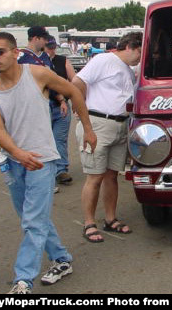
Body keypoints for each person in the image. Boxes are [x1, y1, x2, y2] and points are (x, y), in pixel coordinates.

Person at [0, 32, 97, 294]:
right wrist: (17, 153)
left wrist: (88, 129)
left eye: (0, 51)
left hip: (42, 161)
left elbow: (74, 91)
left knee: (33, 221)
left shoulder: (37, 74)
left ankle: (23, 279)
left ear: (15, 52)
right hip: (13, 162)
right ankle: (62, 259)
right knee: (32, 217)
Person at [72, 31, 142, 243]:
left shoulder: (128, 71)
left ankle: (110, 219)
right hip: (98, 123)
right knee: (94, 176)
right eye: (139, 51)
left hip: (119, 125)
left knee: (112, 176)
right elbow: (76, 82)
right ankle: (89, 223)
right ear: (129, 46)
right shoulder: (104, 60)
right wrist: (85, 118)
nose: (140, 56)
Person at [18, 27, 73, 187]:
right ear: (36, 38)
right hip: (35, 107)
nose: (46, 42)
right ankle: (41, 175)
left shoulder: (44, 57)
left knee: (59, 139)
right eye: (44, 39)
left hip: (54, 103)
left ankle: (60, 170)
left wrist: (62, 99)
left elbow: (52, 81)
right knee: (40, 142)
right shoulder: (22, 58)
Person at [44, 36, 76, 185]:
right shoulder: (38, 63)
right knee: (44, 140)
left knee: (59, 139)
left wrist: (75, 98)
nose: (52, 49)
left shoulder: (62, 60)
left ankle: (61, 170)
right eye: (49, 47)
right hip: (45, 106)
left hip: (61, 107)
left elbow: (74, 80)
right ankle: (46, 172)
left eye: (53, 46)